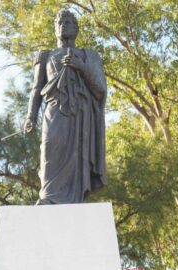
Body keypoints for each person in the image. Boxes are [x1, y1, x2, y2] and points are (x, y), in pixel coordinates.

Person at [22, 7, 107, 204]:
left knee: (77, 157)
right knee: (50, 148)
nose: (63, 26)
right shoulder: (45, 56)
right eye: (59, 23)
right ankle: (48, 196)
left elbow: (100, 89)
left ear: (76, 29)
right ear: (55, 29)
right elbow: (36, 90)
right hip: (54, 111)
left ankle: (74, 198)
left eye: (68, 22)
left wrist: (81, 66)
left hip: (80, 115)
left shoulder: (89, 56)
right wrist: (30, 117)